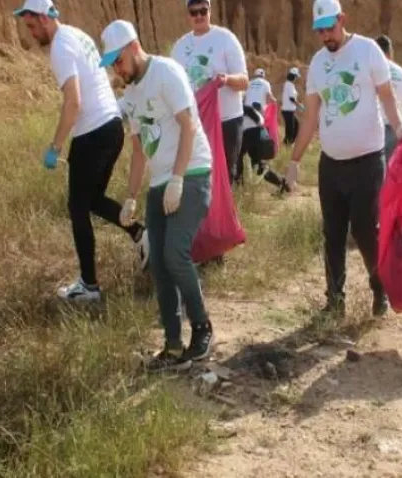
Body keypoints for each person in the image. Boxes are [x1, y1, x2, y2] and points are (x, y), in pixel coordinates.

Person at [13, 0, 148, 302]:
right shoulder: (78, 35)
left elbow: (73, 103)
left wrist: (55, 146)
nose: (31, 33)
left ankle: (89, 286)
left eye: (32, 25)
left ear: (44, 18)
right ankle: (141, 234)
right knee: (93, 200)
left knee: (77, 208)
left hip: (93, 133)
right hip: (112, 127)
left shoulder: (60, 47)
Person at [101, 19, 215, 372]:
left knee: (175, 254)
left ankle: (202, 327)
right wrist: (131, 197)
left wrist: (178, 179)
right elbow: (138, 151)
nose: (118, 71)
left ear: (133, 47)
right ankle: (172, 344)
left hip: (192, 172)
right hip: (159, 183)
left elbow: (188, 126)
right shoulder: (131, 94)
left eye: (119, 61)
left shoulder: (166, 72)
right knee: (158, 265)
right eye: (112, 66)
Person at [285, 0, 402, 318]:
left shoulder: (367, 51)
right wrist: (294, 161)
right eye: (320, 31)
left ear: (342, 19)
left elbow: (387, 96)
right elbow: (310, 117)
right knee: (333, 233)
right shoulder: (317, 64)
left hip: (367, 161)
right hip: (331, 164)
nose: (325, 35)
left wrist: (399, 127)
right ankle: (335, 301)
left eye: (330, 27)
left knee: (366, 230)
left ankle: (379, 287)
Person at [171, 0, 248, 185]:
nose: (199, 16)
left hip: (227, 121)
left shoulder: (225, 39)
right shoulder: (179, 48)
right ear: (187, 15)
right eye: (193, 12)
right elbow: (172, 86)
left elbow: (244, 82)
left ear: (210, 11)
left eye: (203, 11)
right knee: (200, 176)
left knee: (225, 176)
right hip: (196, 124)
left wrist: (226, 79)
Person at [239, 67, 287, 191]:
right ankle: (282, 183)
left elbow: (242, 101)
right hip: (257, 126)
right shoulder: (265, 83)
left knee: (238, 158)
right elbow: (271, 98)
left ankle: (238, 187)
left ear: (254, 76)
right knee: (258, 164)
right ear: (263, 76)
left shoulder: (248, 84)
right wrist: (275, 104)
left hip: (244, 127)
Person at [374, 34, 402, 162]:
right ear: (390, 52)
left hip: (375, 130)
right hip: (397, 130)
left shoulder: (370, 72)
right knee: (394, 169)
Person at [281, 67, 303, 146]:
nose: (296, 78)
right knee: (290, 130)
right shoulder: (288, 84)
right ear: (294, 76)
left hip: (290, 111)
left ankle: (290, 143)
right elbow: (291, 98)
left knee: (296, 125)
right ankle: (287, 144)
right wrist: (299, 106)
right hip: (288, 111)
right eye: (296, 76)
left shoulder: (290, 84)